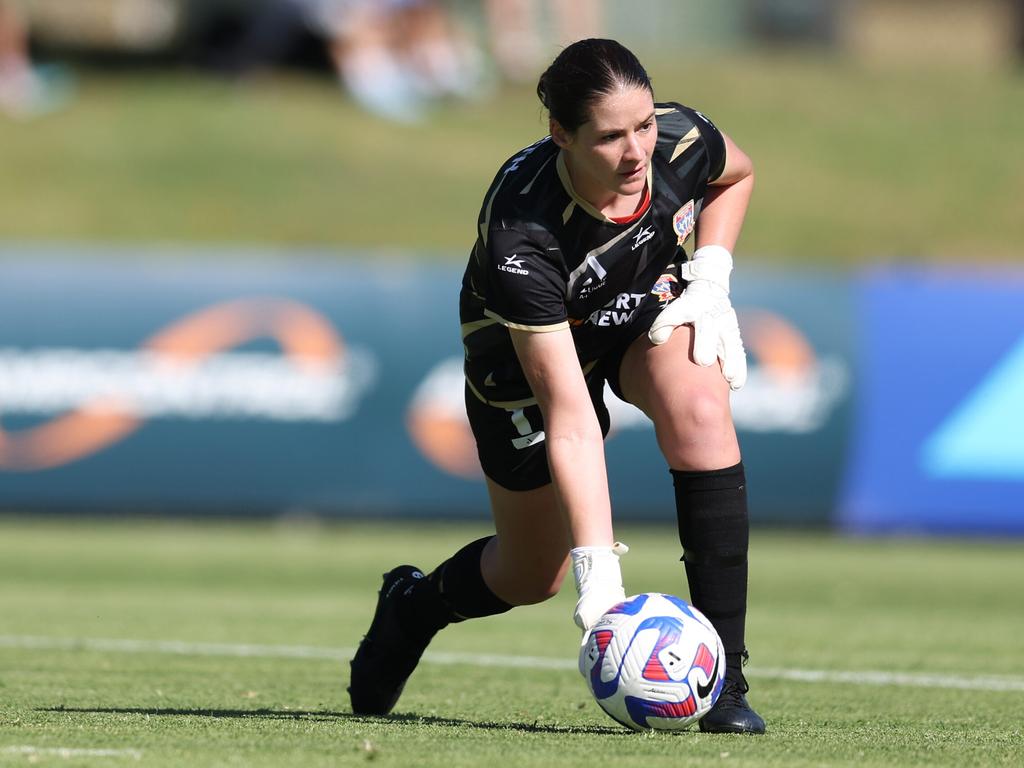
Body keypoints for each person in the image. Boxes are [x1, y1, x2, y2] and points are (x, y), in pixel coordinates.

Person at [348, 38, 764, 734]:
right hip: (523, 364)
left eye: (641, 126)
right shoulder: (521, 231)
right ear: (561, 135)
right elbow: (572, 417)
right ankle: (415, 606)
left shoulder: (677, 137)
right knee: (530, 574)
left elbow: (737, 174)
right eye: (609, 137)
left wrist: (713, 274)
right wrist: (598, 580)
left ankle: (725, 684)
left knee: (700, 406)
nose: (637, 153)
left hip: (635, 311)